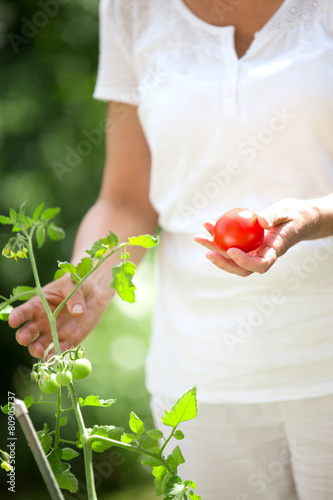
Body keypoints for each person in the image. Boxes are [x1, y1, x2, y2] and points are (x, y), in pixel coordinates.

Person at [9, 0, 333, 498]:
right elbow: (126, 199)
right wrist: (90, 279)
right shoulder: (132, 9)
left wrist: (314, 218)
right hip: (199, 377)